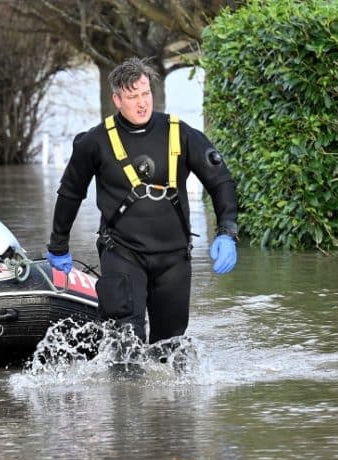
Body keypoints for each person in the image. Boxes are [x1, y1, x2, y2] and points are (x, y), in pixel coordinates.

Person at [46, 57, 238, 346]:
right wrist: (58, 245)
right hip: (122, 253)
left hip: (173, 259)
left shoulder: (180, 133)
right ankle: (124, 390)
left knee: (169, 348)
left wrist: (227, 231)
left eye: (145, 93)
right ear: (117, 99)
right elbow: (70, 193)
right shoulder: (94, 143)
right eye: (132, 96)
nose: (142, 103)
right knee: (125, 345)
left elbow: (220, 180)